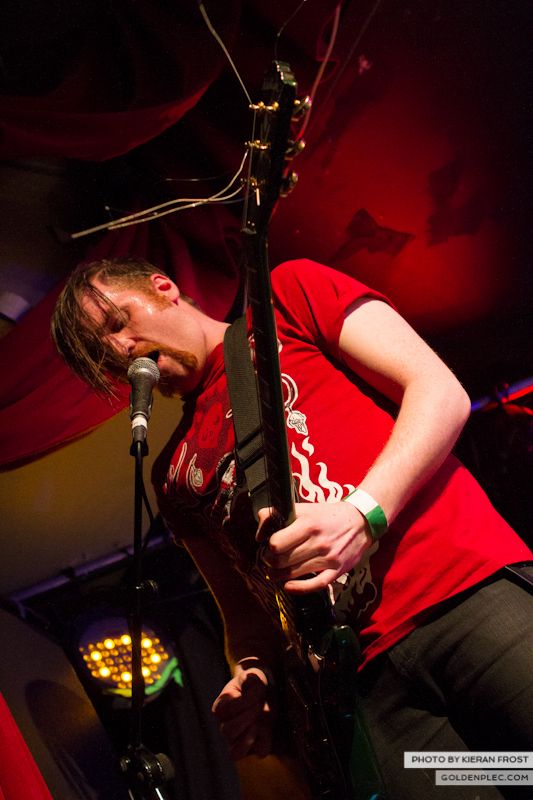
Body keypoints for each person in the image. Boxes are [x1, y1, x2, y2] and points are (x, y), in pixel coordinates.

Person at [51, 256, 533, 800]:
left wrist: (363, 514)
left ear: (164, 288)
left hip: (464, 596)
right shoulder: (171, 478)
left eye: (116, 324)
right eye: (100, 353)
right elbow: (243, 614)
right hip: (366, 688)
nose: (118, 351)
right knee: (499, 775)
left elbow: (438, 391)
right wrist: (254, 675)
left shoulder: (286, 296)